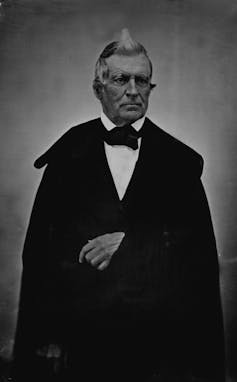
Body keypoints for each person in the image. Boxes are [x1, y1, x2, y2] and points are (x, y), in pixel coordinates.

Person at [12, 29, 226, 382]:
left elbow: (199, 261)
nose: (132, 90)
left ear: (151, 88)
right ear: (98, 89)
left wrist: (131, 244)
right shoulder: (66, 155)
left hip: (158, 349)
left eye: (142, 80)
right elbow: (39, 255)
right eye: (120, 79)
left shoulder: (181, 163)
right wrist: (43, 340)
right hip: (81, 345)